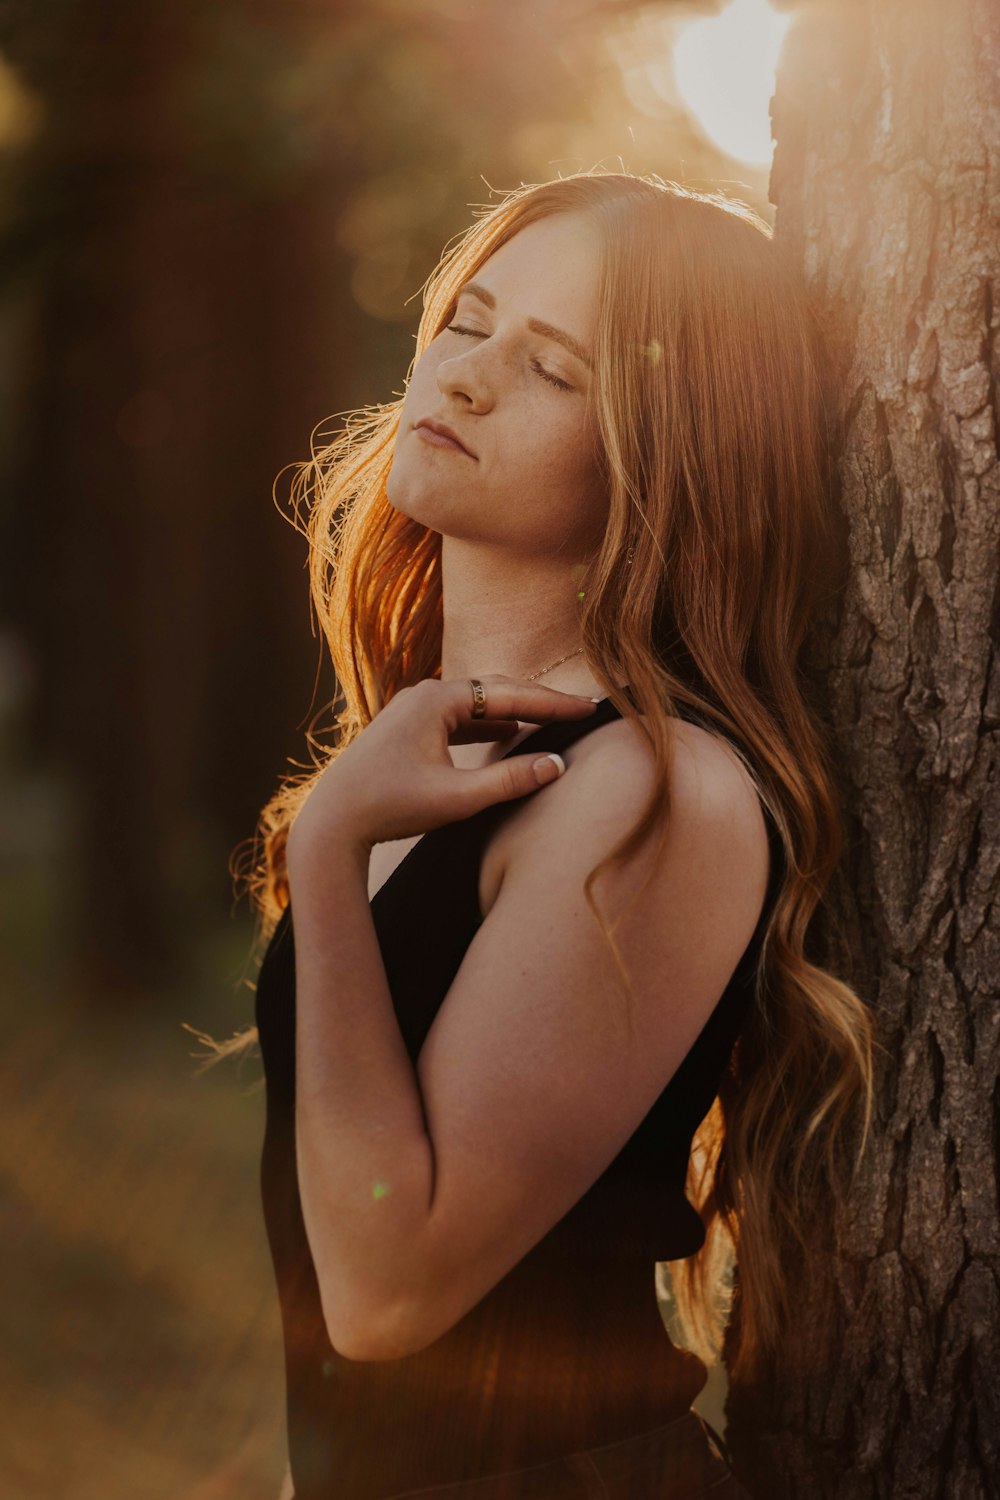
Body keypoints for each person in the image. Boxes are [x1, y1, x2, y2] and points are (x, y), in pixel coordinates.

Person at [212, 170, 875, 1499]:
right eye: (469, 324)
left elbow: (389, 1299)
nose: (460, 380)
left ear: (670, 452)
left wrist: (333, 853)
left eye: (554, 368)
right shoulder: (453, 757)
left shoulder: (657, 793)